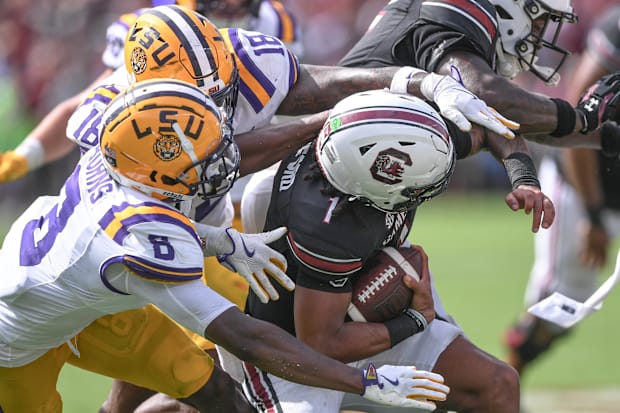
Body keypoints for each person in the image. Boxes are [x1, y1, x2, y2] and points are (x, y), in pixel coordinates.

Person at [60, 5, 523, 412]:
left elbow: (324, 84)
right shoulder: (111, 124)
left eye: (224, 91)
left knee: (212, 382)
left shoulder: (249, 59)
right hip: (145, 248)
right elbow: (211, 170)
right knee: (197, 366)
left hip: (226, 237)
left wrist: (420, 82)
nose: (220, 110)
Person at [0, 78, 452, 413]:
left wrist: (224, 241)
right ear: (156, 173)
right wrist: (364, 380)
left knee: (217, 393)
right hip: (21, 339)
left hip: (88, 289)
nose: (220, 156)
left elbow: (131, 217)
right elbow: (248, 339)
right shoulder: (141, 239)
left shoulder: (120, 155)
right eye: (201, 155)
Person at [233, 88, 534, 413]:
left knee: (497, 385)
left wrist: (524, 178)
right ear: (380, 184)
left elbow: (495, 126)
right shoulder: (328, 223)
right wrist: (414, 320)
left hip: (362, 314)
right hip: (296, 356)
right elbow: (319, 343)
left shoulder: (388, 132)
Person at [0, 0, 301, 184]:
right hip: (170, 174)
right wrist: (25, 157)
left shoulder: (275, 21)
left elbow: (289, 97)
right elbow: (86, 103)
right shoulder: (148, 31)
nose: (232, 7)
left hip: (247, 170)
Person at [504, 5, 620, 376]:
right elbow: (578, 121)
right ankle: (502, 385)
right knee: (562, 307)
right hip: (590, 184)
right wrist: (593, 214)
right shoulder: (617, 29)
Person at [338, 0, 620, 149]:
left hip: (359, 150)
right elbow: (486, 94)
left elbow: (508, 121)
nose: (537, 38)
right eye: (537, 23)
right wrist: (583, 116)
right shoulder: (457, 9)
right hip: (340, 147)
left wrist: (608, 136)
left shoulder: (465, 49)